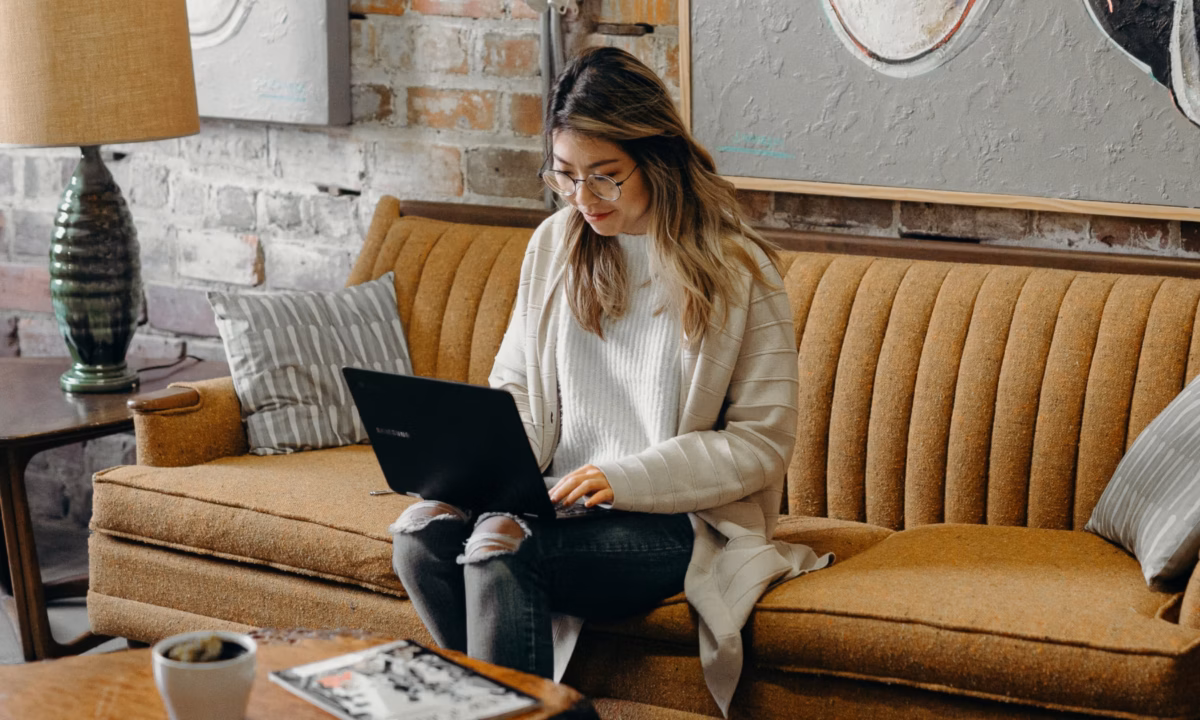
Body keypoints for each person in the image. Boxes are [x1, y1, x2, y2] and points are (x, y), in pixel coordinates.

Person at [389, 46, 830, 716]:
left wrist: (627, 478)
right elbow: (517, 392)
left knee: (500, 550)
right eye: (566, 176)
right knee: (420, 536)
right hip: (552, 502)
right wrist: (474, 468)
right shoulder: (554, 245)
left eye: (606, 177)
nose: (583, 199)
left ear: (656, 159)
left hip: (677, 520)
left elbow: (761, 443)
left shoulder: (739, 270)